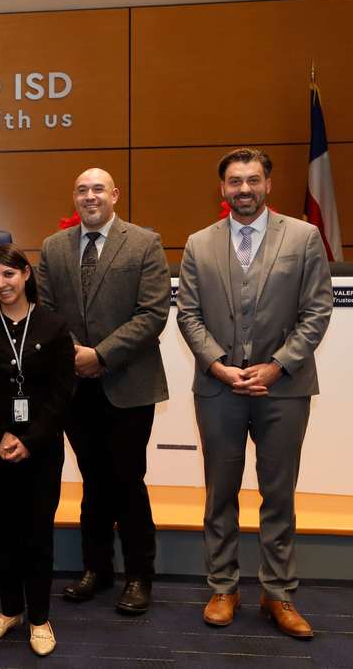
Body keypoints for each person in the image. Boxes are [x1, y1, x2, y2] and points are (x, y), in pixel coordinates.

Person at [176, 148, 332, 639]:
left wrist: (278, 366)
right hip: (218, 390)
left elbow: (317, 311)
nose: (244, 189)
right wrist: (219, 367)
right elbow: (188, 315)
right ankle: (223, 586)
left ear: (268, 184)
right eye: (234, 182)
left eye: (253, 180)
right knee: (220, 494)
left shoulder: (304, 238)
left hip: (283, 390)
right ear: (222, 189)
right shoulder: (199, 244)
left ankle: (277, 593)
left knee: (278, 494)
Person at [36, 167, 171, 615]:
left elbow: (152, 313)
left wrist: (102, 354)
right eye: (81, 190)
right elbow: (46, 310)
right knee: (93, 479)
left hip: (129, 383)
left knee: (127, 479)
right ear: (73, 198)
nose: (89, 196)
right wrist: (76, 354)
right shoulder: (54, 248)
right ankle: (96, 569)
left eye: (98, 189)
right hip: (74, 385)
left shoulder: (144, 242)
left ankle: (138, 575)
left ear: (114, 195)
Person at [0, 244, 74, 656]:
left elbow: (63, 393)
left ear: (25, 274)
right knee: (2, 531)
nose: (2, 284)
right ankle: (9, 611)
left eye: (9, 274)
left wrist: (31, 438)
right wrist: (1, 435)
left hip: (41, 448)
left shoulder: (54, 326)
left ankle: (39, 617)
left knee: (37, 532)